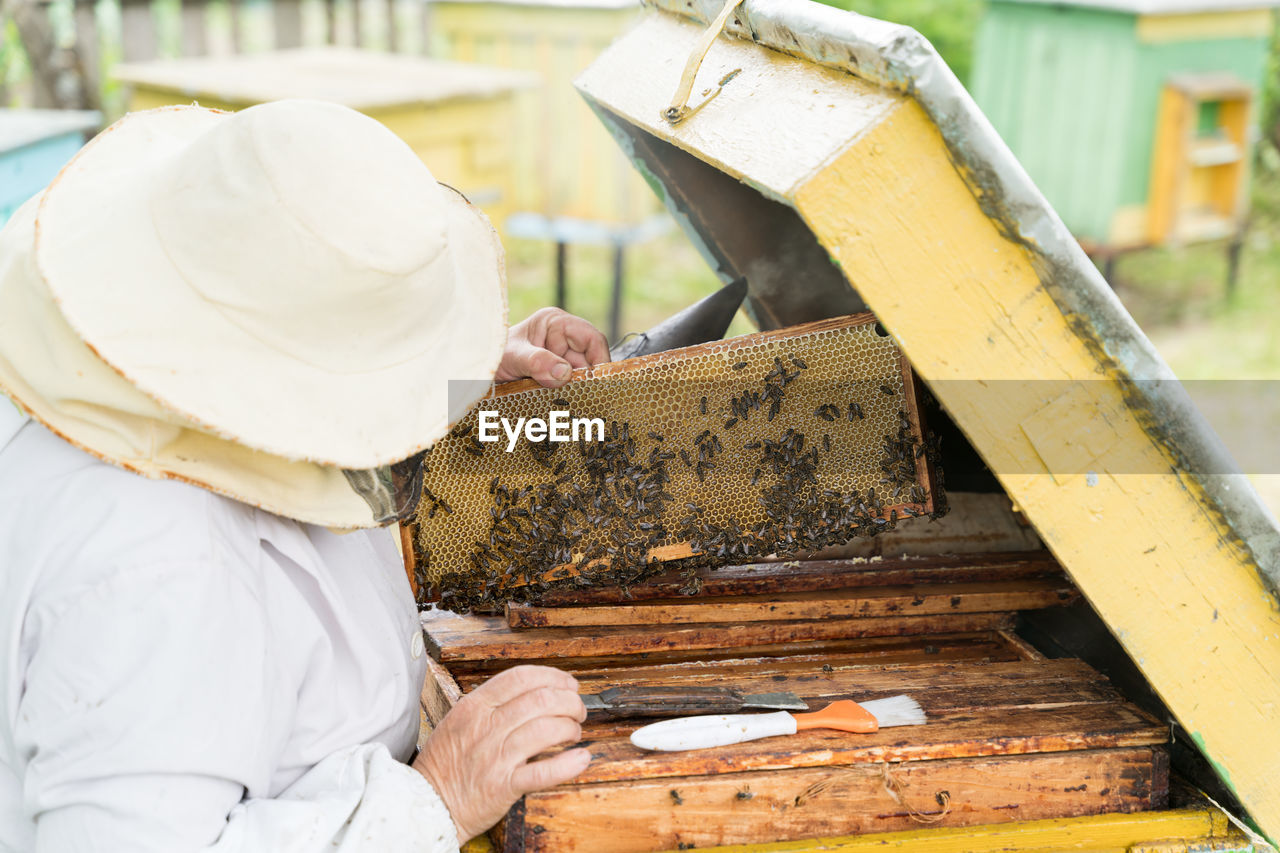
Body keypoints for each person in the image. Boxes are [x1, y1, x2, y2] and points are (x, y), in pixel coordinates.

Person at [0, 99, 611, 852]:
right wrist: (433, 801)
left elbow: (269, 364)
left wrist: (440, 369)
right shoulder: (155, 574)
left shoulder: (97, 368)